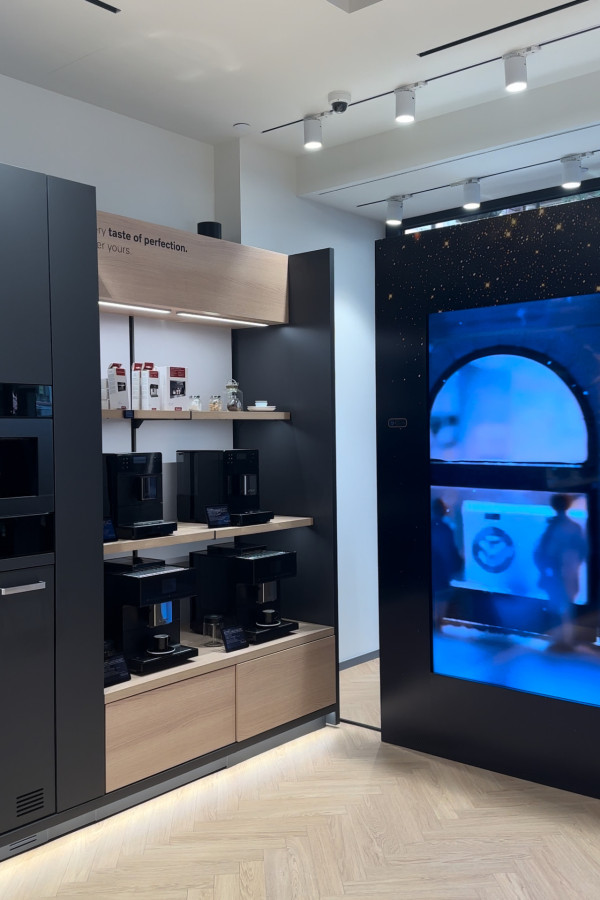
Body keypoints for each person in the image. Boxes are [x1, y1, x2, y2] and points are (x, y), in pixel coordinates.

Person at [534, 494, 587, 650]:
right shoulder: (571, 527)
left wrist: (545, 570)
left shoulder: (553, 527)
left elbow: (541, 552)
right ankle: (563, 641)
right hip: (564, 573)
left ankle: (562, 641)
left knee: (558, 609)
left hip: (558, 573)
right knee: (564, 609)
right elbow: (582, 551)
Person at [431, 498, 462, 629]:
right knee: (442, 595)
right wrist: (455, 565)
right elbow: (449, 550)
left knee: (435, 595)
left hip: (434, 567)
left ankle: (434, 623)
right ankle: (438, 622)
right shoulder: (445, 528)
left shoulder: (432, 526)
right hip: (442, 568)